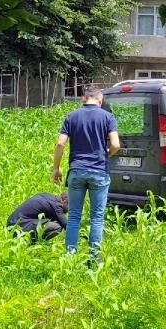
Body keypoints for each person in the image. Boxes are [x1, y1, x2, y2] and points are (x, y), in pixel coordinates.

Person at [52, 86, 120, 262]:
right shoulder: (107, 117)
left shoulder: (72, 116)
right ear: (100, 100)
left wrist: (56, 168)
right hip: (99, 172)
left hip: (76, 170)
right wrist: (106, 154)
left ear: (83, 99)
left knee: (74, 215)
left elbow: (60, 144)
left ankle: (70, 256)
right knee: (97, 217)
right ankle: (94, 258)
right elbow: (116, 145)